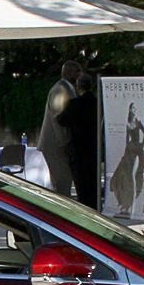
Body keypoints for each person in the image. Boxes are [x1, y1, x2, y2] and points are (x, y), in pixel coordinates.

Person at [37, 61, 81, 196]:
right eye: (77, 72)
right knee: (62, 181)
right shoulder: (60, 90)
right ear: (69, 72)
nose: (80, 75)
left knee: (64, 181)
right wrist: (65, 143)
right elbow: (58, 119)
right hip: (55, 144)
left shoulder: (68, 88)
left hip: (59, 144)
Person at [63, 73, 101, 209]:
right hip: (94, 148)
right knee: (93, 182)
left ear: (78, 87)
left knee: (82, 184)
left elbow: (61, 120)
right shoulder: (98, 103)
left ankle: (85, 209)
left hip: (78, 149)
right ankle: (96, 206)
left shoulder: (74, 104)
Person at [109, 103, 144, 219]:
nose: (134, 110)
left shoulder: (138, 121)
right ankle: (123, 204)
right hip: (129, 150)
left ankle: (127, 204)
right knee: (120, 176)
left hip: (136, 149)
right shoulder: (128, 123)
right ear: (130, 110)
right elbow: (127, 138)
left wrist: (141, 145)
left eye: (135, 108)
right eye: (132, 108)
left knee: (132, 176)